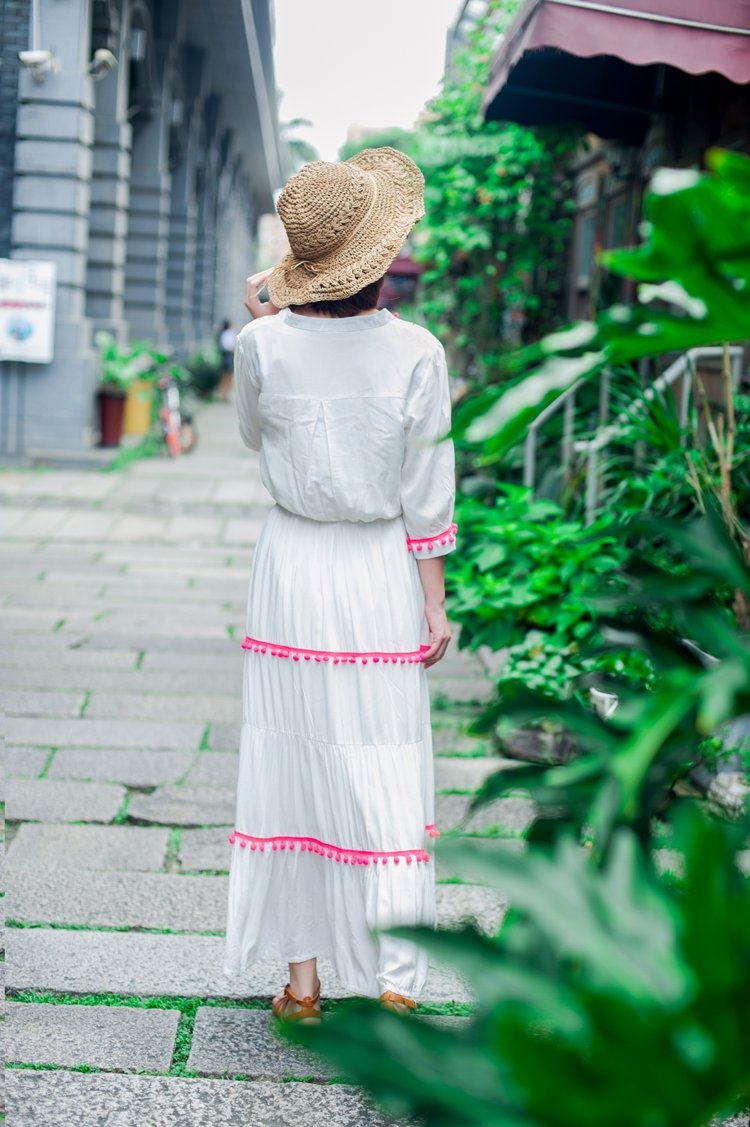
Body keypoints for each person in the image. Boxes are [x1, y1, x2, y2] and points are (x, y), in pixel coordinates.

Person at [223, 147, 456, 1023]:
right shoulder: (417, 352)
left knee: (291, 761)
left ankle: (303, 984)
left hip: (291, 568)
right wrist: (434, 601)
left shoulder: (261, 343)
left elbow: (252, 434)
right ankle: (398, 977)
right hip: (377, 568)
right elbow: (428, 486)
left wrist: (266, 308)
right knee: (385, 765)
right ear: (382, 253)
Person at [218, 319, 236, 401]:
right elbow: (230, 346)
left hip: (224, 356)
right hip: (228, 356)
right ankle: (224, 395)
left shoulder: (223, 333)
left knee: (225, 376)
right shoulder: (229, 333)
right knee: (228, 376)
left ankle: (223, 394)